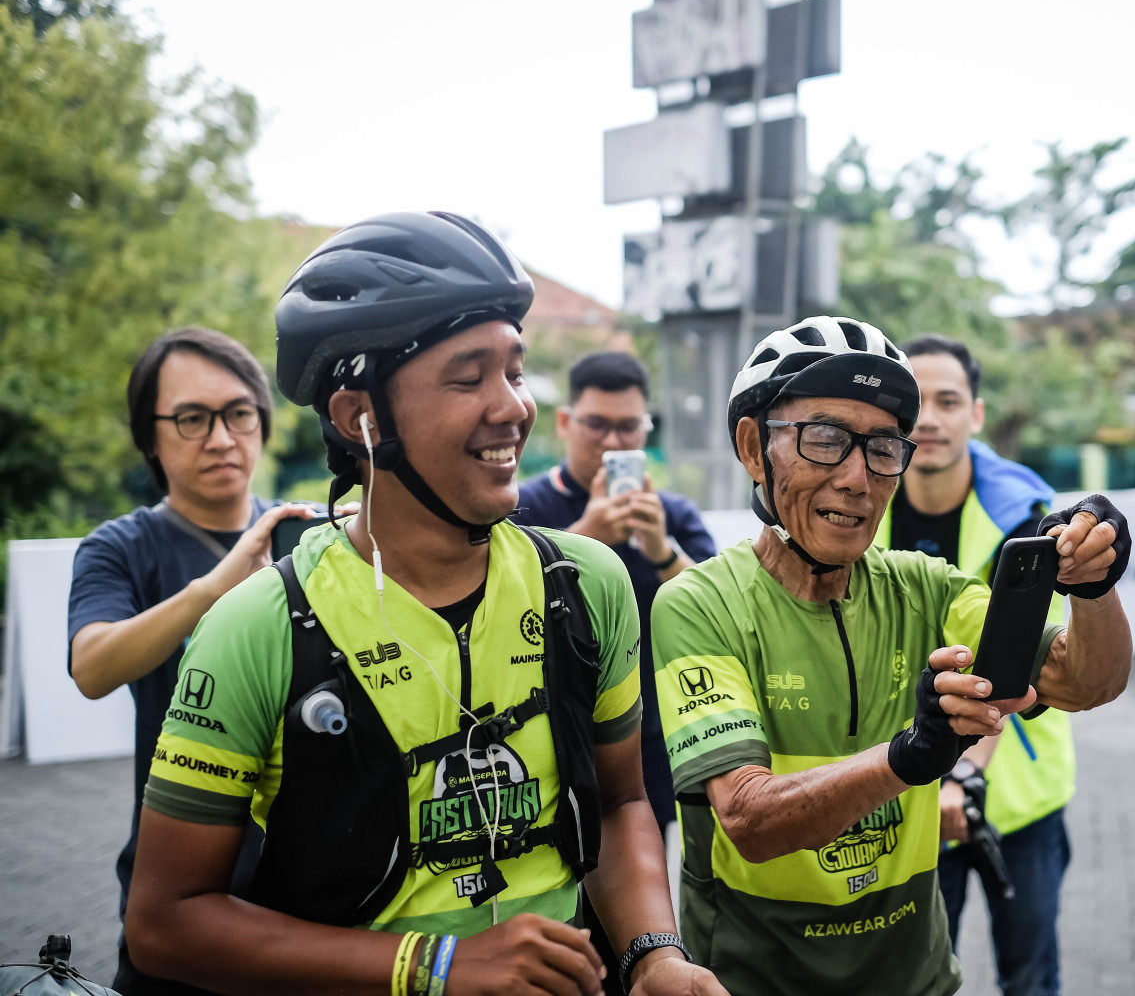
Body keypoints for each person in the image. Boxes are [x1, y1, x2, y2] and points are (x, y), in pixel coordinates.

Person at [123, 212, 726, 996]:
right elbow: (164, 922)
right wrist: (435, 965)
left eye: (515, 372)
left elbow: (618, 804)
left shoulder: (586, 582)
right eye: (469, 377)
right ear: (360, 417)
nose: (513, 407)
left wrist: (653, 955)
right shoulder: (258, 625)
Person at [652, 316, 1134, 995]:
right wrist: (910, 756)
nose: (858, 478)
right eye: (825, 439)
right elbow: (749, 821)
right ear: (754, 448)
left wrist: (1095, 588)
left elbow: (1084, 682)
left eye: (882, 448)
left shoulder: (927, 588)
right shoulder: (700, 604)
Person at [67, 327, 315, 995]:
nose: (221, 438)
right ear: (149, 437)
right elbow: (91, 667)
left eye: (238, 413)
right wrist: (214, 589)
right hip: (184, 888)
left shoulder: (306, 535)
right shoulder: (121, 547)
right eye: (191, 419)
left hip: (318, 882)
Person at [872, 335, 1075, 996]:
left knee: (1031, 978)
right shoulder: (854, 504)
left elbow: (1028, 669)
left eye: (949, 401)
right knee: (918, 982)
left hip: (1017, 797)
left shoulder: (1031, 520)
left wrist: (963, 774)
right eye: (917, 403)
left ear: (977, 414)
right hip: (900, 792)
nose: (930, 419)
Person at [513, 350, 716, 831]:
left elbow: (715, 612)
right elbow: (502, 601)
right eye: (596, 425)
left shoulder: (671, 515)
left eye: (627, 427)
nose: (611, 441)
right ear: (565, 423)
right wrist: (585, 538)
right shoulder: (523, 508)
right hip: (547, 728)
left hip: (652, 733)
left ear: (646, 430)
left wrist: (661, 550)